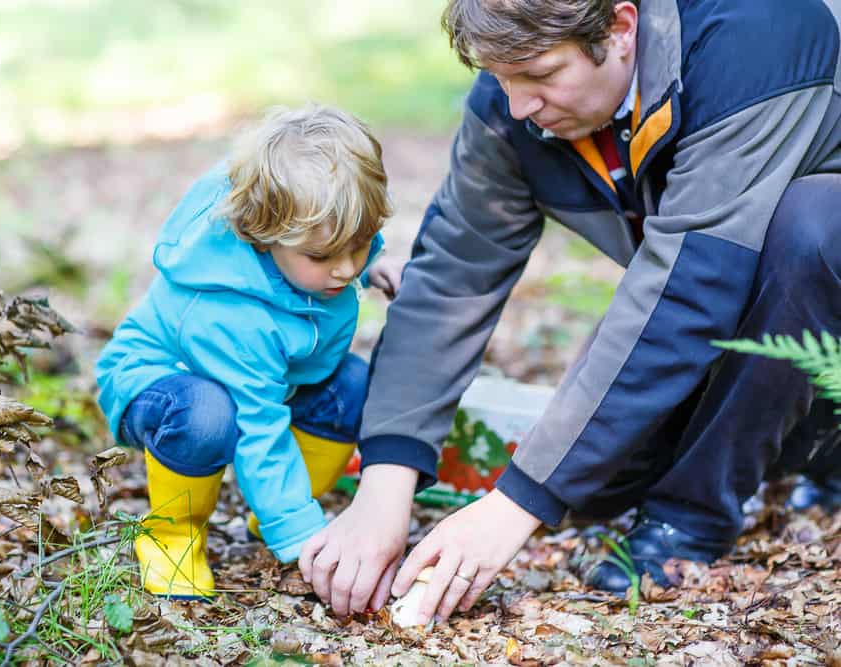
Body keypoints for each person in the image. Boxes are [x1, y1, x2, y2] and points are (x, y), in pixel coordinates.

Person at [299, 0, 841, 624]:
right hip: (746, 296)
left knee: (813, 229)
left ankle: (689, 521)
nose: (519, 105)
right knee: (600, 480)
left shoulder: (758, 36)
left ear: (621, 27)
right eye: (502, 80)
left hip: (813, 268)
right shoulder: (512, 99)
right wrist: (383, 489)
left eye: (539, 75)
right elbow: (450, 281)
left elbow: (691, 285)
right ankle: (812, 446)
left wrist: (515, 505)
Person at [95, 104, 402, 598]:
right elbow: (259, 427)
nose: (346, 270)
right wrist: (305, 542)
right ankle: (172, 535)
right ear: (264, 236)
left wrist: (377, 263)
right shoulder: (230, 315)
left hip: (271, 377)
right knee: (209, 415)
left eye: (360, 244)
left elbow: (340, 248)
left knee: (350, 387)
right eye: (323, 257)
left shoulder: (313, 249)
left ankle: (275, 511)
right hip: (159, 382)